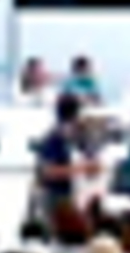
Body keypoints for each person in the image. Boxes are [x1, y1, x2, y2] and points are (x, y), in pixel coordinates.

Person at [35, 93, 102, 228]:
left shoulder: (78, 137)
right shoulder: (54, 138)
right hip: (56, 198)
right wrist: (82, 169)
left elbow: (92, 161)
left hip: (76, 195)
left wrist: (93, 166)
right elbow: (49, 171)